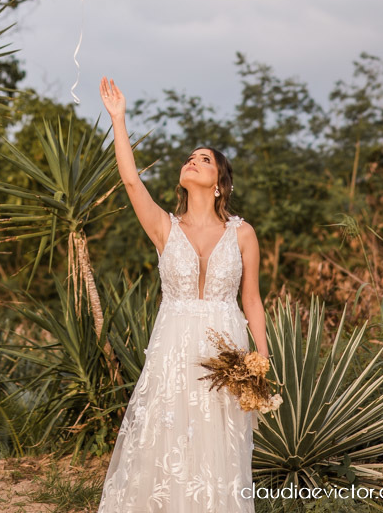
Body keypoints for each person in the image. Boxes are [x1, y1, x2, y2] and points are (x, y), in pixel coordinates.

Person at [97, 76, 268, 513]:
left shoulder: (243, 233)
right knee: (166, 441)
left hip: (227, 348)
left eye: (204, 159)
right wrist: (119, 119)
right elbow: (132, 183)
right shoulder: (164, 228)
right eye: (190, 157)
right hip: (173, 350)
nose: (193, 161)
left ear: (219, 183)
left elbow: (251, 300)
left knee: (219, 445)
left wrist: (260, 360)